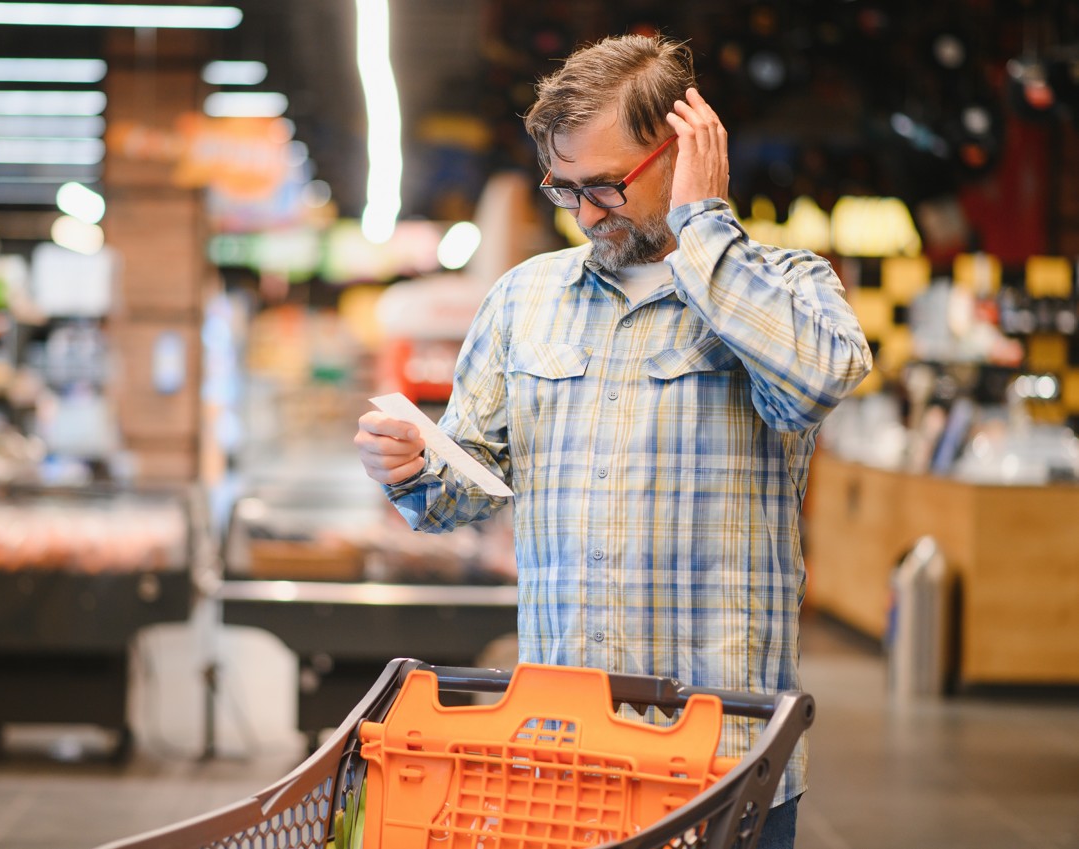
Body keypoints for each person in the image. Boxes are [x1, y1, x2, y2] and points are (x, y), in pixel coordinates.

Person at [355, 33, 871, 849]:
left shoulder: (787, 285)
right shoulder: (525, 300)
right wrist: (415, 466)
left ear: (684, 149)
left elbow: (816, 381)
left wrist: (704, 226)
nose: (587, 214)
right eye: (565, 190)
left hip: (723, 768)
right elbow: (463, 487)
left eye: (606, 186)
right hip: (564, 768)